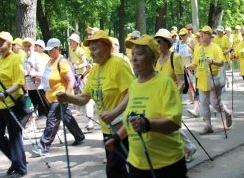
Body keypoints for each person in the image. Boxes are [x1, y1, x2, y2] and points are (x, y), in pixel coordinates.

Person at [105, 34, 187, 177]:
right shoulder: (134, 85)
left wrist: (147, 124)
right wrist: (117, 138)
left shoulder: (165, 83)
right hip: (137, 164)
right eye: (133, 54)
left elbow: (174, 123)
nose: (133, 59)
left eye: (140, 54)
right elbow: (131, 120)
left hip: (166, 164)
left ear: (152, 58)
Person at [57, 30, 134, 177]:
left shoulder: (119, 64)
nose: (91, 53)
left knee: (114, 170)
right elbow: (85, 98)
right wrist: (67, 97)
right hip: (107, 129)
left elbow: (133, 92)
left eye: (94, 49)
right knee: (120, 169)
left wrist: (115, 112)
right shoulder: (94, 70)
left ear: (106, 47)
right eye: (90, 49)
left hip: (123, 127)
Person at [34, 38, 85, 156]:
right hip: (51, 97)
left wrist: (66, 96)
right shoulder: (50, 61)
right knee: (66, 117)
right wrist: (39, 78)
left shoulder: (62, 62)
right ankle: (79, 136)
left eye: (51, 50)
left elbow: (71, 80)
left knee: (52, 120)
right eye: (48, 50)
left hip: (60, 96)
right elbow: (48, 77)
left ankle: (43, 146)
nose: (49, 52)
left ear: (57, 49)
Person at [0, 31, 27, 176]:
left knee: (15, 137)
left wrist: (6, 93)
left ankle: (21, 168)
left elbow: (19, 82)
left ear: (9, 45)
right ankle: (17, 161)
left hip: (11, 104)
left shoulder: (15, 59)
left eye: (1, 43)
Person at [154, 28, 197, 163]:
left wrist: (172, 95)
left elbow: (181, 82)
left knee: (170, 124)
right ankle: (186, 148)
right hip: (159, 97)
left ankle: (187, 147)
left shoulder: (175, 57)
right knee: (169, 125)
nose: (157, 44)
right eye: (155, 41)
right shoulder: (157, 59)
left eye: (159, 41)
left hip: (172, 97)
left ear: (166, 42)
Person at [188, 25, 232, 135]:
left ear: (209, 35)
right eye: (201, 33)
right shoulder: (198, 48)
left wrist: (212, 61)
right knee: (203, 103)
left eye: (204, 33)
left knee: (215, 103)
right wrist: (189, 66)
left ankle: (226, 112)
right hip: (202, 80)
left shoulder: (215, 48)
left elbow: (221, 62)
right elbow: (195, 63)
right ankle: (208, 125)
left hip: (213, 80)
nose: (201, 35)